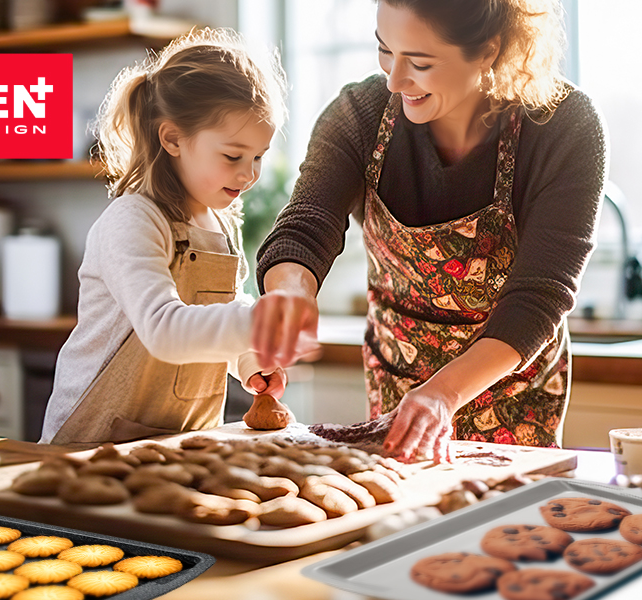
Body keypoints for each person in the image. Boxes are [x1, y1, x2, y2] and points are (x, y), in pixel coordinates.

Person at [253, 0, 607, 462]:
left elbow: (540, 295)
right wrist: (289, 296)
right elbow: (305, 227)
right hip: (399, 392)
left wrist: (444, 393)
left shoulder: (563, 127)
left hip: (511, 389)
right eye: (385, 51)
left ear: (488, 50)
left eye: (419, 62)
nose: (394, 81)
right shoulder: (359, 116)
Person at [40, 28, 289, 445]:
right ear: (173, 138)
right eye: (233, 156)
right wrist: (258, 323)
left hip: (174, 443)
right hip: (88, 443)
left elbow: (213, 315)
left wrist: (246, 358)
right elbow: (165, 330)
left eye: (258, 157)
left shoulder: (219, 225)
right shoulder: (133, 221)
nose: (249, 175)